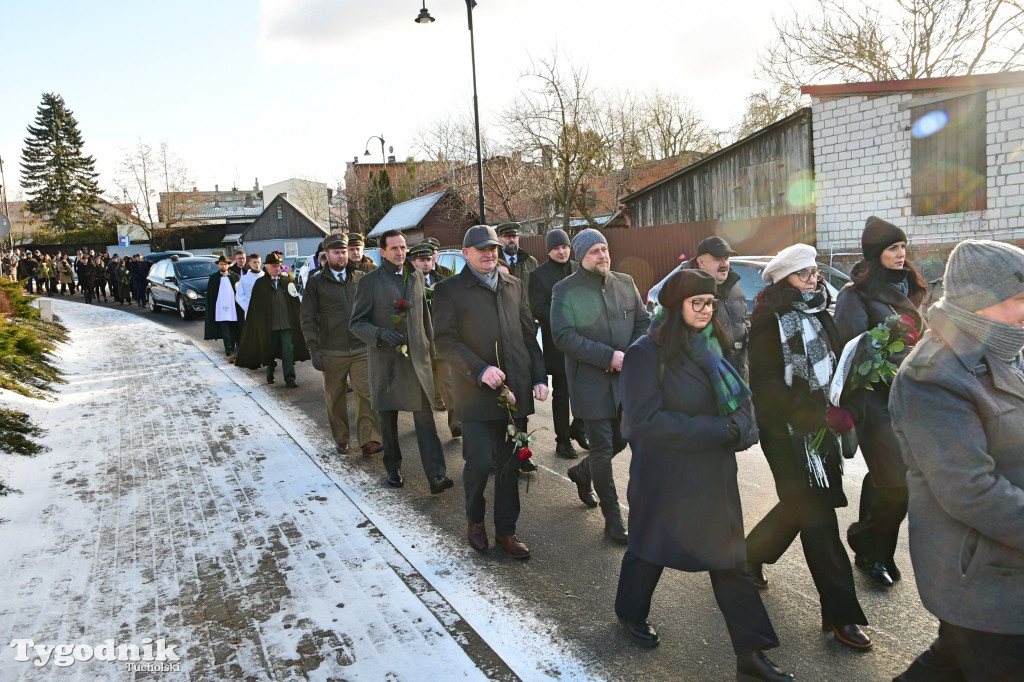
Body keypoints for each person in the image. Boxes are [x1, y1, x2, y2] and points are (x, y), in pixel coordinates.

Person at [616, 269, 792, 681]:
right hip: (664, 476)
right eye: (698, 303)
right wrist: (718, 431)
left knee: (729, 561)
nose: (706, 310)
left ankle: (751, 654)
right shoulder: (646, 353)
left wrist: (741, 429)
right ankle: (629, 613)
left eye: (710, 303)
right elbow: (644, 421)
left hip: (713, 475)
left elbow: (737, 401)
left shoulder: (714, 347)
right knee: (648, 550)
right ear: (675, 306)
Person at [890, 239, 1024, 681]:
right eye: (1019, 299)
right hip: (983, 570)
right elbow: (970, 490)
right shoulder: (933, 375)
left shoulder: (1003, 350)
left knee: (951, 662)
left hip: (1003, 563)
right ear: (979, 302)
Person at [743, 244, 871, 650]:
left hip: (823, 435)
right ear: (785, 281)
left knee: (801, 506)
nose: (814, 279)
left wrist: (848, 399)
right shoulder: (769, 321)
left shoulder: (821, 313)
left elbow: (837, 368)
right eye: (804, 274)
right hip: (785, 435)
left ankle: (748, 556)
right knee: (818, 517)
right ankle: (841, 614)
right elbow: (765, 388)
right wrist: (814, 416)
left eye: (815, 272)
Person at [433, 225, 548, 558]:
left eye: (493, 249)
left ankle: (506, 531)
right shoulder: (449, 290)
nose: (489, 254)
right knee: (481, 463)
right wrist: (480, 369)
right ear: (466, 253)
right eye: (481, 249)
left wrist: (539, 377)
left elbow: (529, 337)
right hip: (475, 393)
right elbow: (445, 341)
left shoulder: (514, 286)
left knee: (511, 466)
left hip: (515, 396)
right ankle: (475, 522)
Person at [834, 216, 929, 588]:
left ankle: (871, 546)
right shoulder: (854, 295)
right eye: (893, 248)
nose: (901, 254)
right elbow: (853, 350)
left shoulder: (914, 286)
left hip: (911, 399)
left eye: (903, 247)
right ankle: (872, 549)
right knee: (896, 484)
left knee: (894, 480)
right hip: (874, 402)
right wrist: (908, 360)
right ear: (876, 254)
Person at [551, 228, 650, 544]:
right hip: (590, 383)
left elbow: (643, 324)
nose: (602, 255)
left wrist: (629, 356)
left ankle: (583, 472)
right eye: (594, 251)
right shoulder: (565, 290)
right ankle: (613, 519)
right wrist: (608, 356)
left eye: (605, 249)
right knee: (603, 449)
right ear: (581, 257)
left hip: (626, 383)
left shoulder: (625, 283)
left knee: (623, 441)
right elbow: (563, 336)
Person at [349, 229, 450, 493]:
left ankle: (436, 475)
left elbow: (424, 317)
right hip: (387, 362)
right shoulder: (369, 282)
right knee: (389, 420)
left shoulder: (416, 276)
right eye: (394, 248)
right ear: (382, 252)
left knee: (425, 419)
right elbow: (356, 323)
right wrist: (380, 334)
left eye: (403, 247)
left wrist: (430, 351)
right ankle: (393, 468)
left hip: (416, 361)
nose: (400, 252)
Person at [300, 234, 383, 457]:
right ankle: (342, 438)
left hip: (360, 347)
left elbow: (372, 309)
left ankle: (369, 439)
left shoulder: (360, 278)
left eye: (344, 251)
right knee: (335, 396)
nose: (341, 256)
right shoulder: (316, 282)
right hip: (331, 349)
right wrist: (313, 348)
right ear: (326, 256)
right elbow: (307, 317)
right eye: (336, 252)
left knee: (366, 393)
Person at [528, 228, 589, 459]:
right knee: (562, 393)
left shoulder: (579, 268)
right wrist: (566, 315)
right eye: (556, 248)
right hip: (557, 343)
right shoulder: (538, 275)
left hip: (583, 341)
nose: (562, 251)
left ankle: (579, 429)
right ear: (549, 251)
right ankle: (562, 440)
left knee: (584, 389)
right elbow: (537, 308)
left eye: (564, 247)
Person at [409, 241, 461, 438]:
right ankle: (424, 426)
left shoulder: (443, 279)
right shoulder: (407, 282)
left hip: (440, 342)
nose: (426, 264)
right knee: (422, 388)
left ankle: (456, 422)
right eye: (421, 260)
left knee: (448, 382)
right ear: (413, 262)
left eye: (429, 260)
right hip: (419, 343)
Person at [235, 252, 309, 387]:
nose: (277, 269)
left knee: (288, 350)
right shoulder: (260, 284)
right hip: (268, 325)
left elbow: (294, 302)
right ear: (267, 268)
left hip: (286, 325)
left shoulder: (287, 281)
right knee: (269, 350)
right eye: (274, 266)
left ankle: (290, 378)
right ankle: (270, 373)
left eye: (278, 266)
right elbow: (255, 306)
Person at [683, 236, 749, 379]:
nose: (725, 264)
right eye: (718, 259)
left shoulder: (735, 287)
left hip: (738, 373)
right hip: (708, 378)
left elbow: (744, 320)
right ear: (701, 262)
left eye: (726, 258)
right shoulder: (687, 291)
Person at [204, 255, 242, 361]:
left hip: (233, 309)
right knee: (225, 331)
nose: (223, 266)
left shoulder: (235, 277)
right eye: (221, 264)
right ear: (218, 265)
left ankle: (234, 349)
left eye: (225, 264)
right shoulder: (214, 278)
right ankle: (229, 351)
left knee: (233, 330)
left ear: (228, 265)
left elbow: (239, 292)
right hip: (220, 309)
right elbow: (211, 295)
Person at [496, 222, 538, 288]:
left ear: (518, 238)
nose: (512, 240)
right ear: (500, 240)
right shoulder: (494, 262)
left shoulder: (531, 262)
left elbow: (537, 287)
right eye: (508, 237)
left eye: (514, 236)